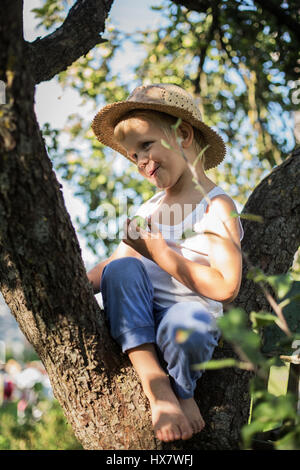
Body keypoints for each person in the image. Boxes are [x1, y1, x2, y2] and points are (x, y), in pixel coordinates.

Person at [88, 83, 243, 442]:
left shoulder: (215, 206)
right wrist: (77, 284)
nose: (141, 161)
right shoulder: (150, 208)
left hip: (187, 321)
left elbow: (227, 286)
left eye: (146, 145)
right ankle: (157, 386)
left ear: (184, 134)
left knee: (184, 325)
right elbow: (116, 264)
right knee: (121, 269)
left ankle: (183, 390)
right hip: (139, 321)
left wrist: (160, 252)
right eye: (132, 156)